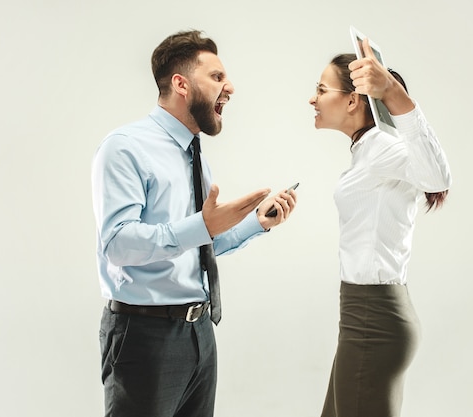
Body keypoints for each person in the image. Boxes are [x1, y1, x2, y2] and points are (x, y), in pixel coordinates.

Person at [91, 29, 297, 417]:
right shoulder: (125, 147)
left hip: (199, 331)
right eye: (217, 77)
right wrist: (202, 226)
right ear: (180, 84)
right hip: (144, 333)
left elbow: (200, 244)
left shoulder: (193, 153)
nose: (230, 87)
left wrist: (257, 222)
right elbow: (118, 244)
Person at [309, 38, 452, 417]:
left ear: (354, 100)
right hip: (362, 316)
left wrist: (390, 90)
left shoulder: (383, 146)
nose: (313, 99)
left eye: (321, 90)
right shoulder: (367, 150)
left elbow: (436, 175)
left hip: (374, 319)